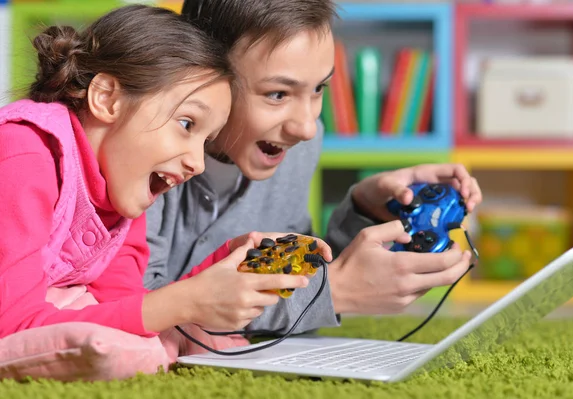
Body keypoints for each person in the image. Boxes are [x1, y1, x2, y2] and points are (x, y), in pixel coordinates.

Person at [0, 4, 331, 361]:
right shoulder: (24, 152)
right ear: (107, 98)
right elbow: (12, 328)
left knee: (156, 339)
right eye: (187, 124)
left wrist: (225, 264)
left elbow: (128, 304)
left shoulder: (120, 188)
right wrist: (185, 302)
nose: (198, 164)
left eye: (205, 141)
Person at [144, 0, 482, 335]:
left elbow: (287, 275)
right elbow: (140, 308)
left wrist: (366, 208)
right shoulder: (143, 150)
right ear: (202, 76)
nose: (306, 127)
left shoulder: (299, 143)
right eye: (278, 94)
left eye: (318, 88)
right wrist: (337, 291)